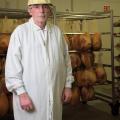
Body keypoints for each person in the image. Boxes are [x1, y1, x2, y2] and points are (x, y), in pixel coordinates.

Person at [5, 0, 74, 120]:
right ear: (29, 10)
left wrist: (68, 85)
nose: (41, 11)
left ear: (50, 10)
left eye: (45, 7)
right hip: (30, 97)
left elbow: (66, 61)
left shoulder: (57, 32)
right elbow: (12, 67)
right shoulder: (20, 33)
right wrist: (21, 93)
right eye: (36, 7)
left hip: (55, 94)